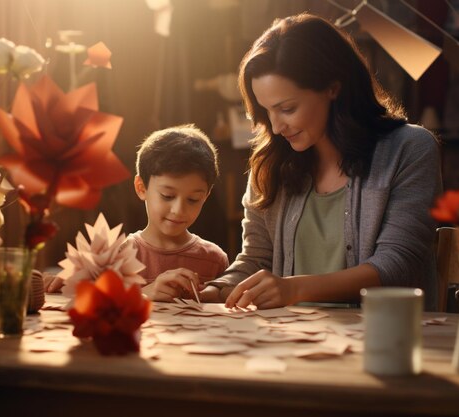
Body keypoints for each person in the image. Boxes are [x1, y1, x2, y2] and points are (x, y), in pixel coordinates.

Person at [199, 13, 442, 310]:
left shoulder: (409, 149)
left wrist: (294, 289)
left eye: (287, 108)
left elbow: (397, 266)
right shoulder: (271, 162)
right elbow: (255, 259)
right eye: (265, 111)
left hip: (383, 342)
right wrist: (207, 292)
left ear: (333, 87)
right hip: (292, 346)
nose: (275, 127)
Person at [128, 124, 229, 301]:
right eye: (167, 196)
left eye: (193, 200)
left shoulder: (214, 259)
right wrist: (144, 294)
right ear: (141, 188)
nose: (179, 210)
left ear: (206, 196)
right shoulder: (120, 255)